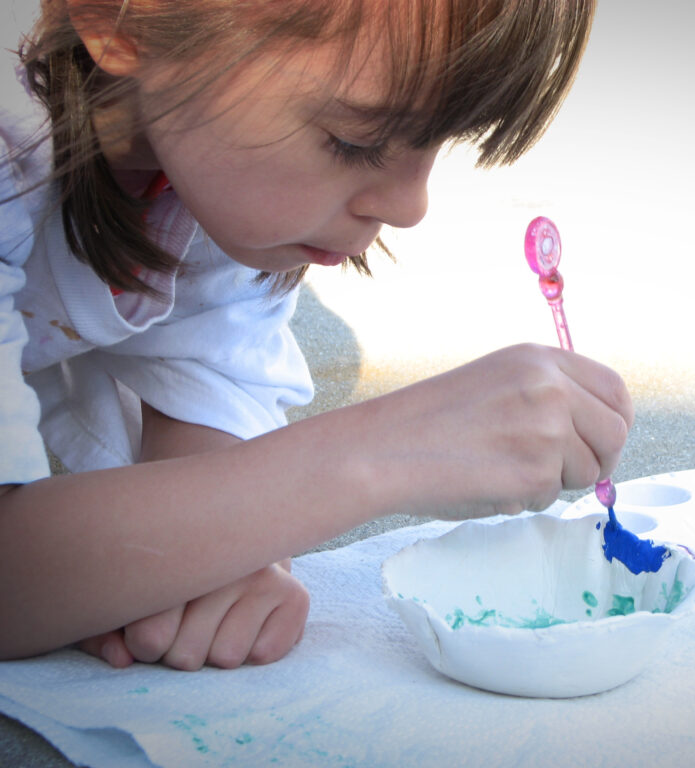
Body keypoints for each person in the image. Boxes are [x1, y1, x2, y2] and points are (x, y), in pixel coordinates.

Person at [0, 0, 632, 671]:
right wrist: (387, 452)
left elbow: (203, 388)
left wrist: (217, 556)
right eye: (355, 141)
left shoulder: (208, 168)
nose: (410, 207)